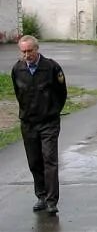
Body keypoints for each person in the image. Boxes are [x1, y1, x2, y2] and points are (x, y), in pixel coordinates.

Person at [11, 35, 67, 215]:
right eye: (23, 51)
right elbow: (18, 93)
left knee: (49, 160)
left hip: (48, 123)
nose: (26, 55)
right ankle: (41, 196)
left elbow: (61, 93)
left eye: (29, 51)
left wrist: (52, 111)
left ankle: (52, 201)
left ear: (37, 49)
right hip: (28, 123)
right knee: (34, 161)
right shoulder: (17, 69)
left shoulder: (51, 67)